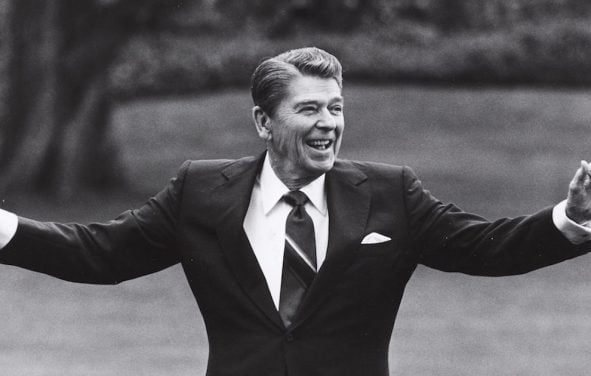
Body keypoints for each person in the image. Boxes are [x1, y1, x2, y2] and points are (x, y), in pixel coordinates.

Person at [1, 47, 591, 376]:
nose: (329, 123)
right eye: (310, 109)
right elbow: (99, 253)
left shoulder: (391, 194)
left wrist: (571, 216)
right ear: (264, 122)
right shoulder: (200, 192)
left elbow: (488, 248)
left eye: (336, 108)